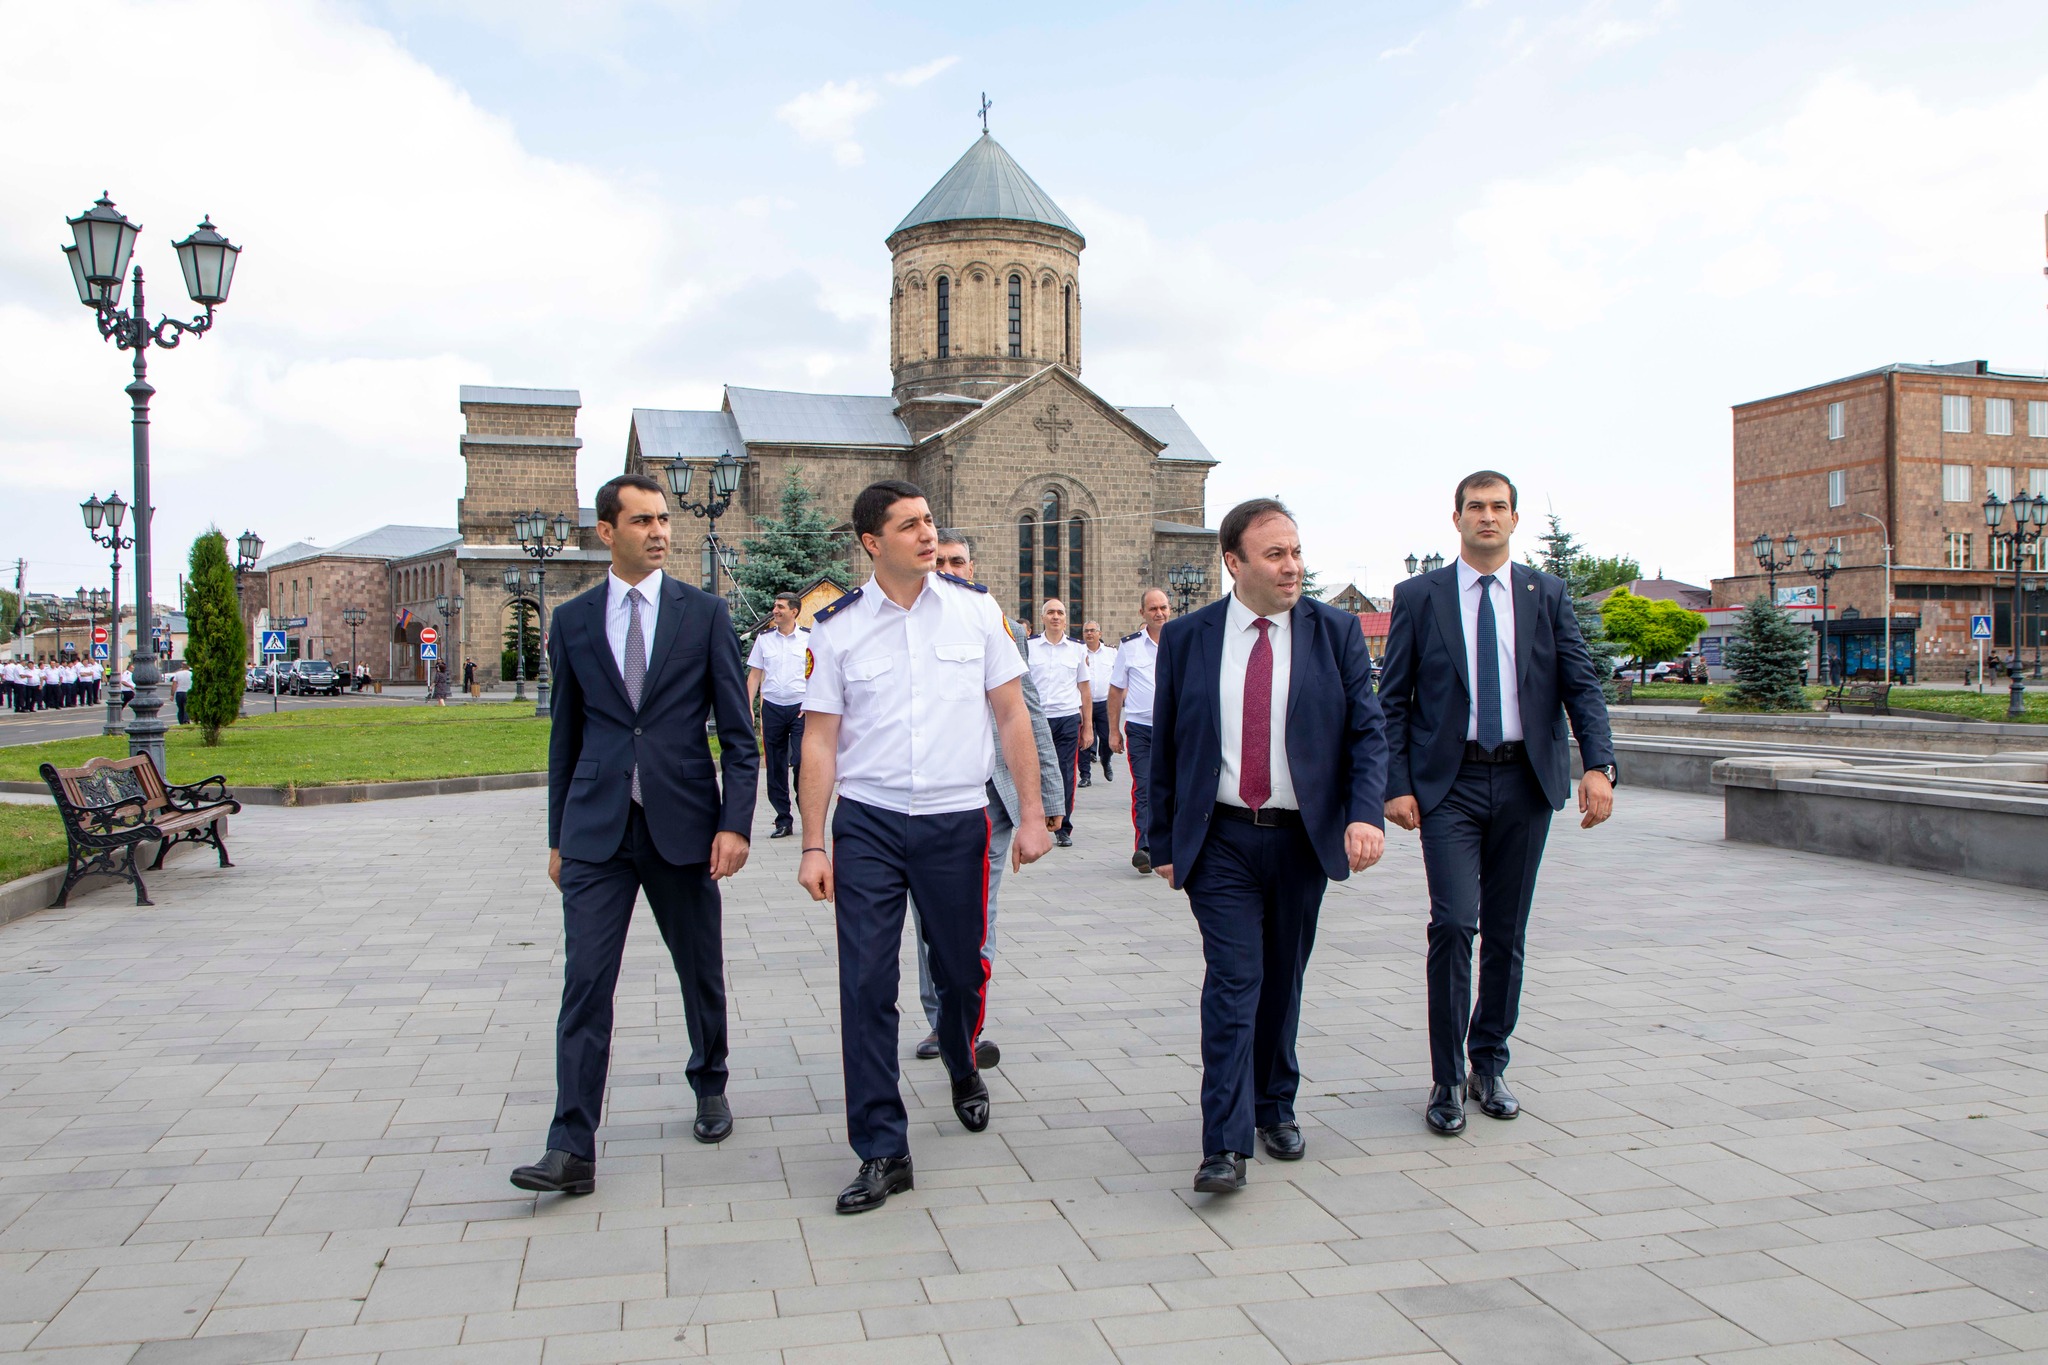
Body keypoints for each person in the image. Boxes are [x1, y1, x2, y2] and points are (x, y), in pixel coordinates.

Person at [798, 480, 1051, 1215]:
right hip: (869, 824)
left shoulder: (976, 613)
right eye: (909, 525)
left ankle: (962, 1059)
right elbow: (819, 740)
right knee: (865, 984)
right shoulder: (837, 629)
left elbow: (1013, 716)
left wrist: (1033, 814)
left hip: (955, 820)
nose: (927, 534)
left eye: (929, 521)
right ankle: (883, 1147)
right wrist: (813, 842)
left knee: (961, 970)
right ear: (872, 542)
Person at [510, 473, 759, 1198]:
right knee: (586, 983)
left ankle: (709, 1083)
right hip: (597, 832)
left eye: (664, 519)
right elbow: (565, 736)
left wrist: (735, 824)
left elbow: (738, 738)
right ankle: (571, 1145)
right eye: (643, 520)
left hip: (684, 826)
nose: (659, 532)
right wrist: (558, 835)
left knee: (699, 967)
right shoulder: (573, 621)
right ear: (606, 531)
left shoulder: (704, 614)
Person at [1148, 497, 1387, 1194]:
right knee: (1233, 980)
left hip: (1300, 839)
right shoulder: (1189, 638)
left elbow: (1367, 732)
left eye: (1296, 551)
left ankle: (1274, 1103)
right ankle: (1223, 1144)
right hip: (1220, 838)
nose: (1292, 566)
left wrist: (1364, 814)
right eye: (1275, 554)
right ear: (1234, 562)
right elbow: (1167, 743)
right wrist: (1161, 840)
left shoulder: (1335, 632)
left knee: (1282, 979)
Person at [1379, 470, 1617, 1138]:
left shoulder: (1547, 594)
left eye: (1499, 507)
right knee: (1455, 924)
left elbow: (1581, 684)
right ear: (1456, 518)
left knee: (1507, 932)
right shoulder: (1419, 596)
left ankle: (1489, 1063)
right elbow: (1392, 700)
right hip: (1448, 785)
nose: (1488, 516)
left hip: (1524, 782)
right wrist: (1394, 783)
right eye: (1476, 507)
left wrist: (1598, 766)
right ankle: (1446, 1076)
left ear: (1514, 519)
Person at [909, 530, 1060, 1067]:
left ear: (972, 568)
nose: (949, 570)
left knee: (978, 915)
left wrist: (1046, 798)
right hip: (927, 797)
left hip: (990, 797)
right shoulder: (907, 624)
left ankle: (963, 1025)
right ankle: (940, 1017)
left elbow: (1028, 711)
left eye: (958, 562)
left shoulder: (1001, 625)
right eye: (941, 561)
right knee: (929, 920)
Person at [1109, 588, 1171, 874]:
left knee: (1174, 788)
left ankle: (1170, 845)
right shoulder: (1130, 646)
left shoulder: (1181, 640)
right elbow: (1116, 689)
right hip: (1140, 729)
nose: (1159, 613)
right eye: (1153, 608)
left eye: (1163, 607)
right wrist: (1113, 731)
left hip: (1174, 729)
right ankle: (1144, 848)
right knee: (1144, 787)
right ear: (1142, 612)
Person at [1027, 599, 1091, 847]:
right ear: (1042, 617)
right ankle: (1036, 821)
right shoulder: (1030, 647)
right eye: (1051, 612)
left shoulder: (1077, 649)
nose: (1055, 616)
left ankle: (1063, 826)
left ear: (1066, 619)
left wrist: (1088, 727)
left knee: (1065, 772)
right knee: (1034, 771)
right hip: (1037, 718)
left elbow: (1084, 689)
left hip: (1066, 717)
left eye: (1060, 613)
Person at [745, 592, 809, 840]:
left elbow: (817, 673)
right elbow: (754, 676)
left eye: (781, 607)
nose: (775, 610)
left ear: (794, 611)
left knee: (802, 761)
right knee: (775, 765)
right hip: (772, 708)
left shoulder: (808, 638)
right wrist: (747, 707)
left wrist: (812, 702)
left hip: (800, 708)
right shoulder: (764, 639)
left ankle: (806, 811)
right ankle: (783, 819)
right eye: (774, 606)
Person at [1079, 621, 1115, 786]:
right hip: (1083, 703)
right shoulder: (1078, 651)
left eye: (1093, 630)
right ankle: (1085, 775)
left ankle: (1105, 760)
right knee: (1084, 740)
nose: (1089, 634)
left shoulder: (1111, 652)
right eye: (1086, 631)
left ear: (1099, 633)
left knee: (1107, 738)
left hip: (1104, 703)